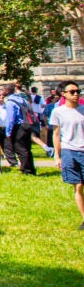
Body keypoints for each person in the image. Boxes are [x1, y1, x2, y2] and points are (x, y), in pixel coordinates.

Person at [50, 81, 84, 228]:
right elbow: (56, 134)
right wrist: (57, 156)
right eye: (72, 92)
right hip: (69, 151)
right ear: (64, 94)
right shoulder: (58, 112)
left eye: (78, 91)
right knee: (78, 186)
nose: (76, 94)